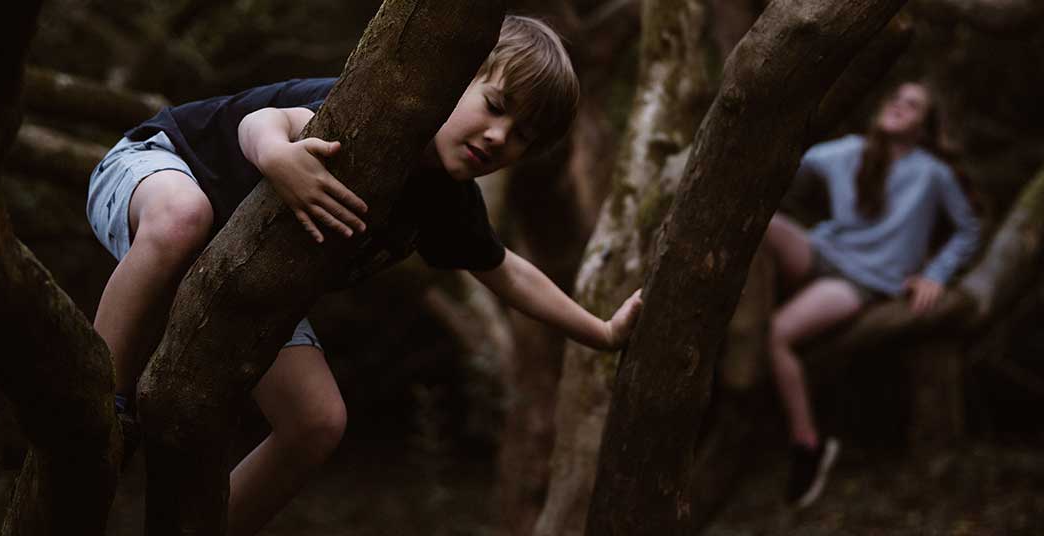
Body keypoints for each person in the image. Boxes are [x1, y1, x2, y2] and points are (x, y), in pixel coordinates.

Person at [86, 15, 643, 536]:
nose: (500, 136)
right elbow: (265, 121)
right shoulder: (378, 116)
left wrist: (602, 333)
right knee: (184, 216)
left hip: (239, 275)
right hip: (154, 169)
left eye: (522, 134)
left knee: (317, 421)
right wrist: (278, 157)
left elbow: (506, 272)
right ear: (453, 80)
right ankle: (98, 402)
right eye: (495, 105)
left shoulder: (446, 201)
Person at [761, 82, 981, 508]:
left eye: (912, 104)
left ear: (925, 125)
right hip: (821, 252)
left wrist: (935, 274)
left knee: (776, 335)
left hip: (863, 280)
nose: (899, 105)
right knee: (763, 225)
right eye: (895, 98)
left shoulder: (932, 173)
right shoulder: (849, 150)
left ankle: (807, 443)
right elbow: (787, 161)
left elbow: (968, 228)